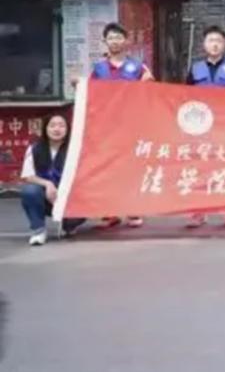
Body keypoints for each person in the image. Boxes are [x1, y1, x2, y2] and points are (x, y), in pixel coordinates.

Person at [184, 25, 225, 228]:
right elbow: (184, 98)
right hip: (200, 128)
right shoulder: (195, 69)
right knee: (199, 168)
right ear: (204, 44)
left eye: (218, 41)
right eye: (211, 40)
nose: (214, 44)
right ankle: (198, 211)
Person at [92, 22, 151, 228]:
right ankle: (110, 210)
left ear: (126, 41)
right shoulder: (98, 69)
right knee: (108, 167)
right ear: (105, 41)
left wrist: (147, 82)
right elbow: (90, 94)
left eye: (118, 37)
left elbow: (151, 90)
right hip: (107, 127)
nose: (115, 41)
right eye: (111, 38)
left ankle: (133, 209)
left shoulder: (138, 67)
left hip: (131, 125)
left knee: (131, 167)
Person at [19, 115, 85, 245]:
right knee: (29, 191)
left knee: (73, 218)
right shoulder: (34, 149)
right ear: (46, 128)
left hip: (70, 198)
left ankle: (69, 225)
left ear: (68, 129)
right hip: (46, 197)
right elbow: (28, 176)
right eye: (52, 125)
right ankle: (39, 231)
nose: (57, 129)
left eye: (61, 125)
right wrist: (47, 184)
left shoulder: (76, 149)